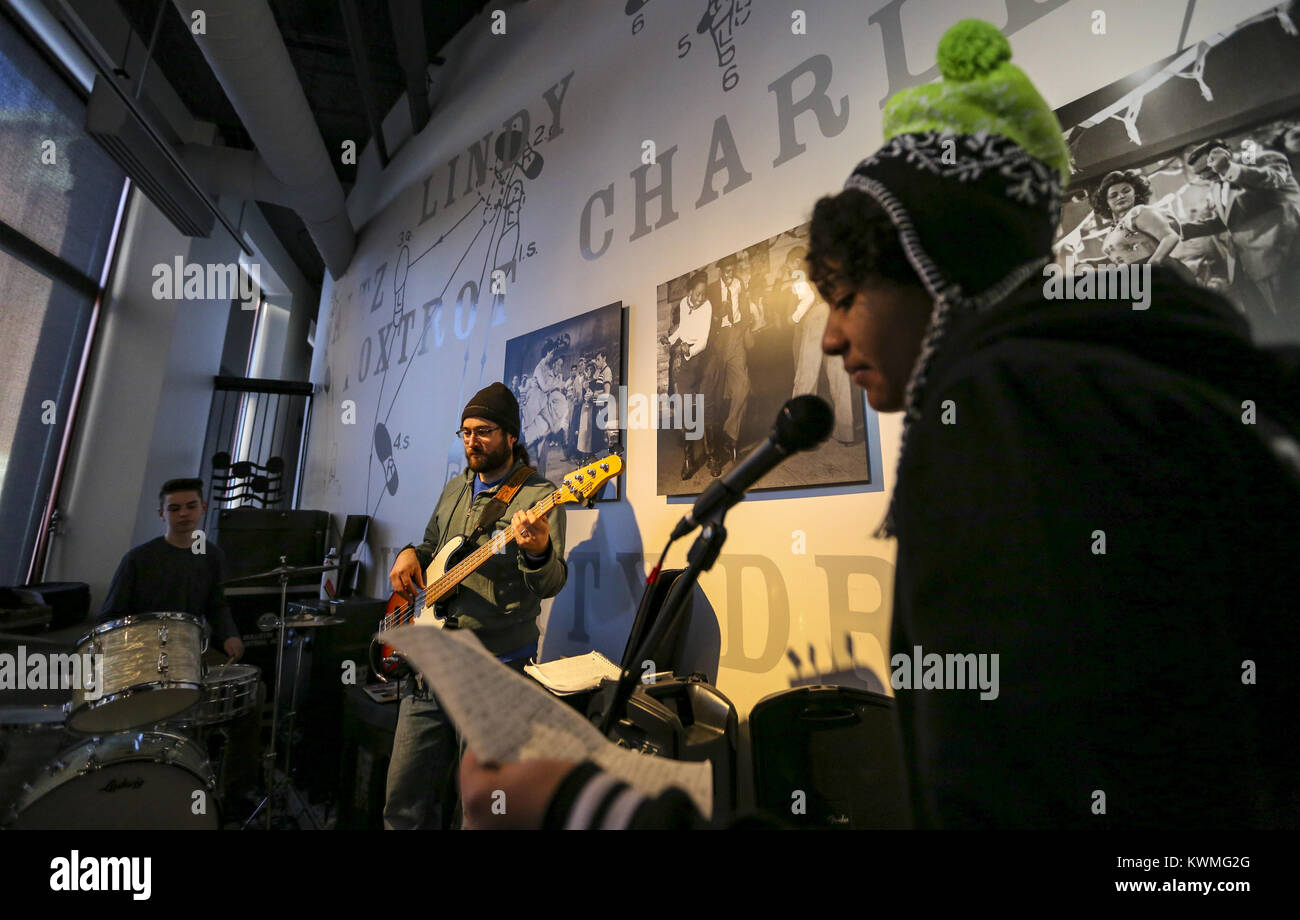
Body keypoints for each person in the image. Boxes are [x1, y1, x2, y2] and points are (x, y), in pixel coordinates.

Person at [458, 19, 1300, 830]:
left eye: (846, 297)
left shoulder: (1009, 413)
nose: (829, 336)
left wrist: (592, 809)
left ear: (934, 272)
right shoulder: (1110, 385)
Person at [383, 383, 568, 829]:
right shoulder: (455, 488)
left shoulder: (538, 497)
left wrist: (538, 551)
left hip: (496, 672)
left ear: (511, 436)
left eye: (483, 431)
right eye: (465, 432)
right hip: (431, 672)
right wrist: (408, 553)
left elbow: (551, 583)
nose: (472, 441)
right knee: (403, 805)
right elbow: (431, 547)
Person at [100, 477, 244, 662]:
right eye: (174, 509)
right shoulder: (138, 558)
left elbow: (216, 605)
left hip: (188, 649)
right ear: (161, 513)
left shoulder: (212, 556)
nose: (183, 513)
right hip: (141, 649)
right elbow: (111, 614)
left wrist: (230, 635)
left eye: (191, 506)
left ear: (203, 508)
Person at [1179, 138, 1300, 315]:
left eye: (1206, 169)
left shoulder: (1264, 159)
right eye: (1199, 174)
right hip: (1251, 267)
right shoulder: (1216, 186)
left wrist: (1228, 168)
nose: (1204, 177)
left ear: (1225, 154)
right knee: (1279, 319)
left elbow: (1273, 179)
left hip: (1284, 256)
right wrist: (1180, 229)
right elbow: (1225, 221)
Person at [788, 245, 855, 444]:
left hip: (816, 318)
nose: (790, 270)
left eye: (790, 265)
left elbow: (808, 297)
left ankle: (799, 430)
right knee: (838, 375)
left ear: (796, 261)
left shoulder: (801, 272)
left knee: (806, 375)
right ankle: (846, 432)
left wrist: (795, 317)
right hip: (832, 315)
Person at [662, 273, 719, 479]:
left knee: (706, 407)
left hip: (704, 358)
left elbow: (703, 341)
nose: (700, 298)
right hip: (688, 361)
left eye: (704, 294)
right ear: (690, 292)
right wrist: (671, 339)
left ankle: (712, 456)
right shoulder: (683, 304)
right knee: (685, 410)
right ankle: (688, 460)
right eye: (697, 294)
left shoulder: (707, 306)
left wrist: (688, 351)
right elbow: (683, 329)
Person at [1090, 169, 1194, 281]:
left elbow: (1170, 237)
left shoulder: (1138, 212)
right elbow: (1124, 254)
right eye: (1113, 195)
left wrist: (1152, 265)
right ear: (1106, 203)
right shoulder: (1112, 230)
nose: (1120, 196)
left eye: (1126, 191)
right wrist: (1092, 263)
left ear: (1135, 193)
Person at [710, 257, 752, 469]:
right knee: (717, 393)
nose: (729, 275)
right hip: (718, 340)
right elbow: (708, 318)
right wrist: (718, 314)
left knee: (743, 386)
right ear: (720, 271)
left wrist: (743, 326)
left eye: (731, 270)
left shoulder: (739, 283)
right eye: (725, 271)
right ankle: (716, 447)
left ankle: (730, 432)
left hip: (736, 335)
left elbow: (745, 307)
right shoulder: (712, 289)